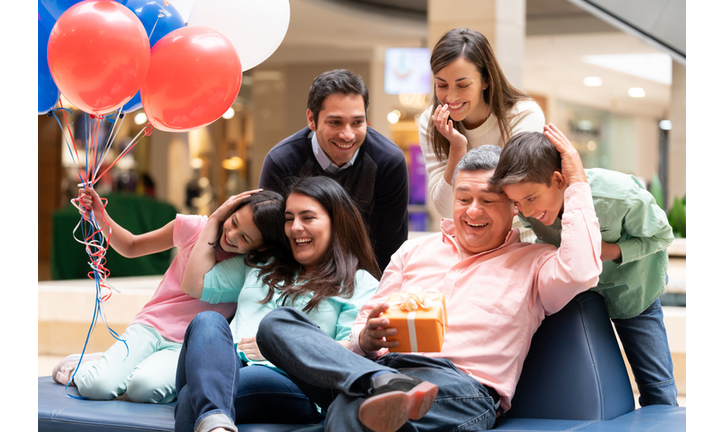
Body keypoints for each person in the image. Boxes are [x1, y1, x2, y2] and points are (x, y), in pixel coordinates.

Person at [254, 126, 603, 432]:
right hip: (379, 368)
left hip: (460, 387)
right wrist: (367, 339)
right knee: (277, 324)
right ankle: (380, 384)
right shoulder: (414, 252)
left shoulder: (535, 261)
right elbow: (365, 321)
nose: (473, 210)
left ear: (513, 206)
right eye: (463, 198)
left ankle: (377, 391)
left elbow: (582, 271)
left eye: (488, 200)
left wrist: (575, 183)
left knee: (353, 408)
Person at [489, 124, 678, 407]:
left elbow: (663, 236)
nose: (527, 213)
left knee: (658, 388)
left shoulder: (620, 196)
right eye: (518, 203)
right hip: (580, 298)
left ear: (559, 179)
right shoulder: (529, 210)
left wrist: (613, 250)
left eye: (531, 198)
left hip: (635, 292)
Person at [174, 176, 382, 432]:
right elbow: (194, 284)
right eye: (289, 218)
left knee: (191, 398)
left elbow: (352, 351)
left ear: (336, 223)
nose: (295, 228)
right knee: (207, 321)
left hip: (293, 381)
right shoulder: (265, 262)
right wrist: (215, 220)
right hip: (220, 364)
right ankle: (216, 422)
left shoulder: (359, 283)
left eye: (307, 218)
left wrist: (280, 350)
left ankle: (214, 418)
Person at [51, 187, 285, 404]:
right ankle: (84, 367)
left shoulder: (250, 265)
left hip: (186, 345)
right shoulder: (193, 226)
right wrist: (101, 217)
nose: (232, 235)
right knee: (97, 387)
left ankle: (116, 366)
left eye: (245, 238)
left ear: (261, 247)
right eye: (233, 222)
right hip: (151, 325)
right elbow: (132, 246)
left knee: (143, 389)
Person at [259, 69, 409, 271]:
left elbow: (390, 247)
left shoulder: (388, 162)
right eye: (335, 122)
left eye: (357, 122)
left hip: (364, 281)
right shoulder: (282, 161)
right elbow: (271, 241)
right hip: (295, 277)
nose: (347, 135)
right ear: (311, 119)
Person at [419, 27, 545, 218]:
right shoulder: (431, 122)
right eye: (442, 85)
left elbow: (518, 196)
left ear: (486, 80)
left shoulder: (523, 115)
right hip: (465, 237)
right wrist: (457, 148)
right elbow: (446, 209)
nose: (450, 97)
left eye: (463, 85)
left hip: (519, 236)